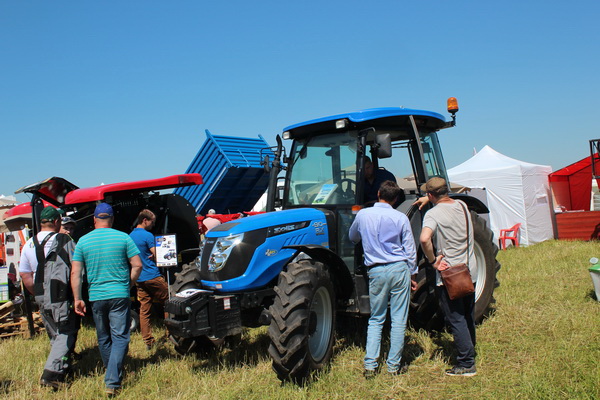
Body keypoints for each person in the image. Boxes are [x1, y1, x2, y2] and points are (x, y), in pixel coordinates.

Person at [71, 203, 142, 396]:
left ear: (94, 219)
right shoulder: (123, 237)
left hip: (96, 296)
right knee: (120, 336)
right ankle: (112, 379)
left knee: (104, 337)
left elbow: (76, 272)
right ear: (112, 219)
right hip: (119, 293)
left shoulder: (83, 241)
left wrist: (78, 298)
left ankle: (112, 373)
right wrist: (129, 284)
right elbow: (137, 265)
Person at [349, 180, 417, 377]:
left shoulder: (363, 214)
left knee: (376, 318)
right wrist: (412, 273)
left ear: (378, 193)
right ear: (395, 199)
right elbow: (410, 250)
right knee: (398, 319)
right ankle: (393, 366)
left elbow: (352, 237)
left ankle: (370, 365)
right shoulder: (400, 218)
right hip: (399, 268)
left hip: (376, 270)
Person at [419, 177, 478, 377]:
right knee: (468, 313)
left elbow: (424, 238)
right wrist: (429, 199)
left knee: (455, 318)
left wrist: (433, 260)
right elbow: (444, 201)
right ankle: (470, 349)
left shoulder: (433, 214)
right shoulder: (462, 204)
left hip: (450, 275)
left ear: (430, 194)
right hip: (470, 270)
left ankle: (466, 363)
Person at [19, 206, 78, 389]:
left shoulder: (29, 243)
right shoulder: (63, 239)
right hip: (59, 293)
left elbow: (25, 275)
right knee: (66, 331)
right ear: (56, 222)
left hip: (39, 292)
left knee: (53, 332)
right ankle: (51, 374)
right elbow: (75, 267)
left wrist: (37, 293)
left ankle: (62, 367)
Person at [130, 209, 169, 350]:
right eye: (152, 222)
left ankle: (148, 341)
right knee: (170, 301)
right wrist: (156, 255)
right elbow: (158, 254)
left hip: (139, 278)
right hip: (152, 276)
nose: (153, 225)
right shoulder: (147, 235)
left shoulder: (130, 236)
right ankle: (171, 333)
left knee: (144, 310)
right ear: (145, 220)